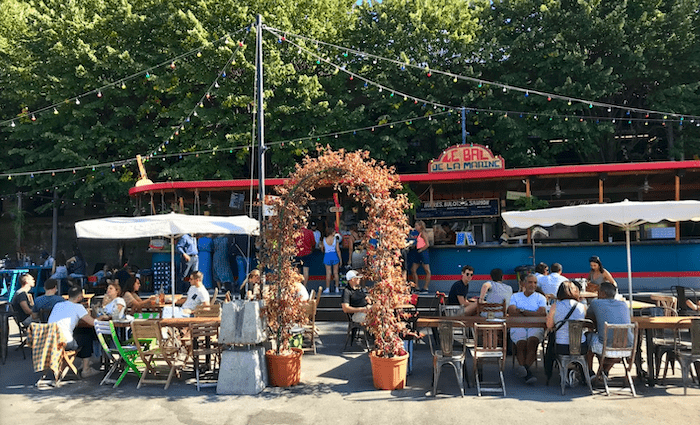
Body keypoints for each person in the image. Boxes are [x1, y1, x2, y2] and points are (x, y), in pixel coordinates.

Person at [48, 286, 103, 378]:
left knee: (80, 333)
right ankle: (86, 369)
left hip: (50, 341)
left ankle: (83, 363)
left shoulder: (57, 305)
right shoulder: (78, 307)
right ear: (80, 297)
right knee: (87, 337)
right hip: (64, 342)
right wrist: (102, 317)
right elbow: (93, 323)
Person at [585, 281, 632, 377]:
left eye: (598, 292)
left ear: (602, 293)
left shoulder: (596, 303)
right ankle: (604, 371)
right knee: (614, 339)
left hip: (605, 348)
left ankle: (589, 371)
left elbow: (588, 318)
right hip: (627, 348)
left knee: (588, 338)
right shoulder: (623, 304)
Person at [508, 273, 547, 384]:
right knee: (521, 345)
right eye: (530, 282)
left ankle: (524, 370)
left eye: (535, 282)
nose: (533, 285)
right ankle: (527, 373)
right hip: (518, 326)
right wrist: (533, 313)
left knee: (532, 343)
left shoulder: (541, 297)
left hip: (535, 327)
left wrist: (522, 311)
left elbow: (542, 313)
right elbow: (511, 312)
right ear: (524, 283)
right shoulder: (515, 296)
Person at [546, 281, 587, 355]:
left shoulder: (555, 306)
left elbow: (549, 325)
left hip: (561, 346)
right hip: (581, 345)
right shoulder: (582, 306)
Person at [410, 220, 432, 293]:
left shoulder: (423, 234)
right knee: (413, 269)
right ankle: (416, 286)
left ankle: (426, 287)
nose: (415, 227)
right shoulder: (418, 234)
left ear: (421, 226)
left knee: (427, 270)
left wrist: (421, 249)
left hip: (423, 252)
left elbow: (427, 244)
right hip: (417, 252)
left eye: (417, 226)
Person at [321, 227, 342, 294]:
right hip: (334, 255)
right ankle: (337, 288)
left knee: (328, 273)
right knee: (335, 273)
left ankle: (327, 288)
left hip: (327, 256)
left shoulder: (324, 239)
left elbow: (322, 249)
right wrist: (340, 259)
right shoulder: (335, 239)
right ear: (332, 232)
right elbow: (338, 250)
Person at [295, 223, 316, 288]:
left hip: (298, 254)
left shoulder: (296, 233)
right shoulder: (309, 232)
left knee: (297, 271)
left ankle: (297, 287)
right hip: (307, 253)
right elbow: (313, 243)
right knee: (305, 271)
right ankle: (304, 286)